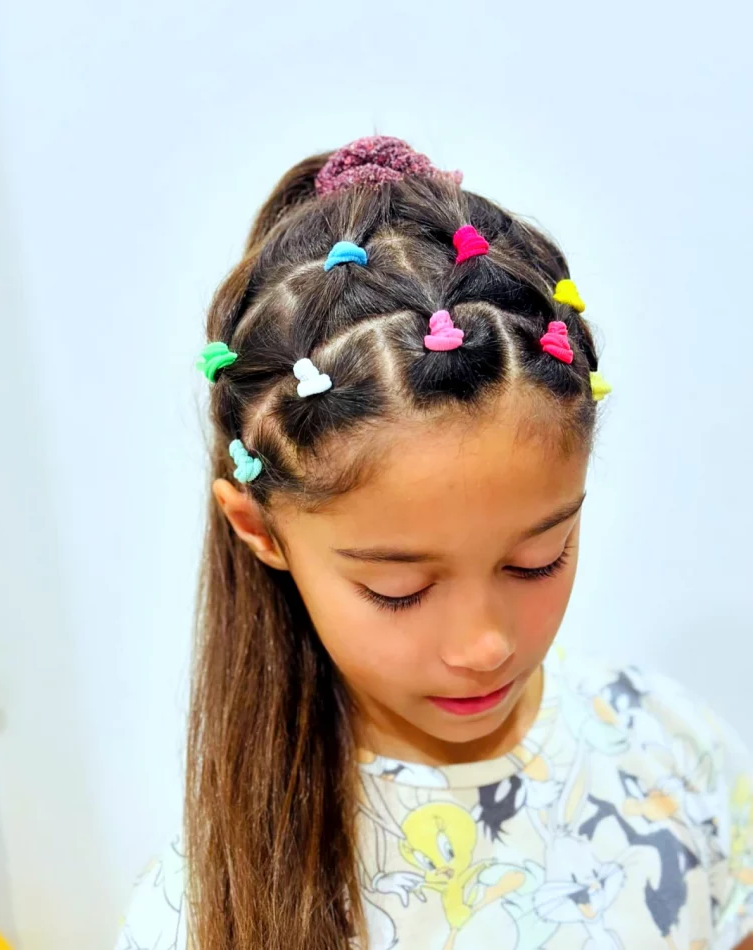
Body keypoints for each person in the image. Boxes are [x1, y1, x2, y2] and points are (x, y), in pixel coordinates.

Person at [114, 136, 753, 950]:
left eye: (538, 559)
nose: (484, 646)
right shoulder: (202, 908)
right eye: (399, 591)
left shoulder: (668, 750)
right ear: (260, 530)